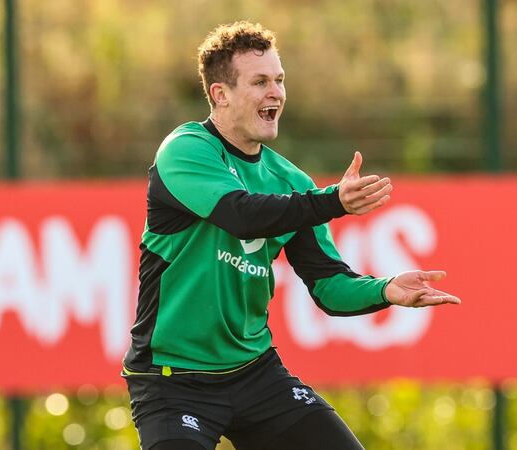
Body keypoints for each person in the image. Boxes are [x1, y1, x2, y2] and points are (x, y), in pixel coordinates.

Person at [122, 21, 461, 450]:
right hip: (173, 382)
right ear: (219, 95)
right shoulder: (185, 149)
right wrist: (333, 201)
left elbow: (329, 288)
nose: (276, 93)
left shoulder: (289, 181)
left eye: (279, 81)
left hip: (255, 374)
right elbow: (241, 214)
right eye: (260, 82)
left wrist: (386, 289)